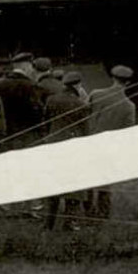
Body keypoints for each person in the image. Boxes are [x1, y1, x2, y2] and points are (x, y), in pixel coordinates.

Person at [85, 65, 137, 220]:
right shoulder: (129, 106)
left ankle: (87, 210)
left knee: (86, 178)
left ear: (113, 78)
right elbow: (128, 132)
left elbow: (84, 113)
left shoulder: (95, 94)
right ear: (127, 83)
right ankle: (103, 213)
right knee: (105, 181)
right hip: (109, 147)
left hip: (90, 142)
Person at [41, 70, 91, 231]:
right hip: (72, 148)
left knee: (53, 184)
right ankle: (69, 222)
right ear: (77, 85)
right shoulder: (81, 104)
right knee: (73, 186)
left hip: (53, 145)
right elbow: (85, 130)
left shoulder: (51, 100)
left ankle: (49, 222)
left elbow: (45, 123)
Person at [0, 52, 43, 150]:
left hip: (6, 136)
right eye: (31, 67)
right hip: (27, 136)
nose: (32, 70)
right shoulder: (30, 86)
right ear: (26, 67)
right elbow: (36, 111)